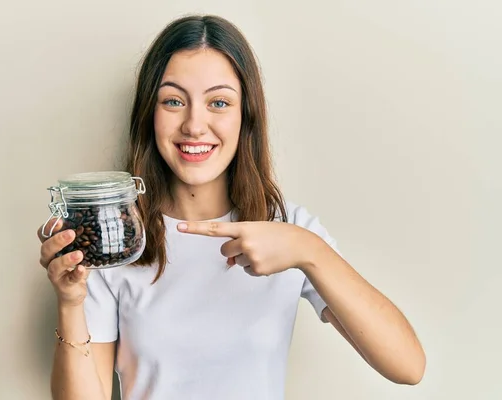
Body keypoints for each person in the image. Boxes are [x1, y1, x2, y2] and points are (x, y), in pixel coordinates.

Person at [36, 14, 426, 400]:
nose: (194, 124)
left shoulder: (289, 229)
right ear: (149, 115)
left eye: (219, 102)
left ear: (246, 116)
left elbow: (407, 367)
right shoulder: (121, 241)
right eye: (173, 101)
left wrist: (310, 251)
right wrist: (70, 303)